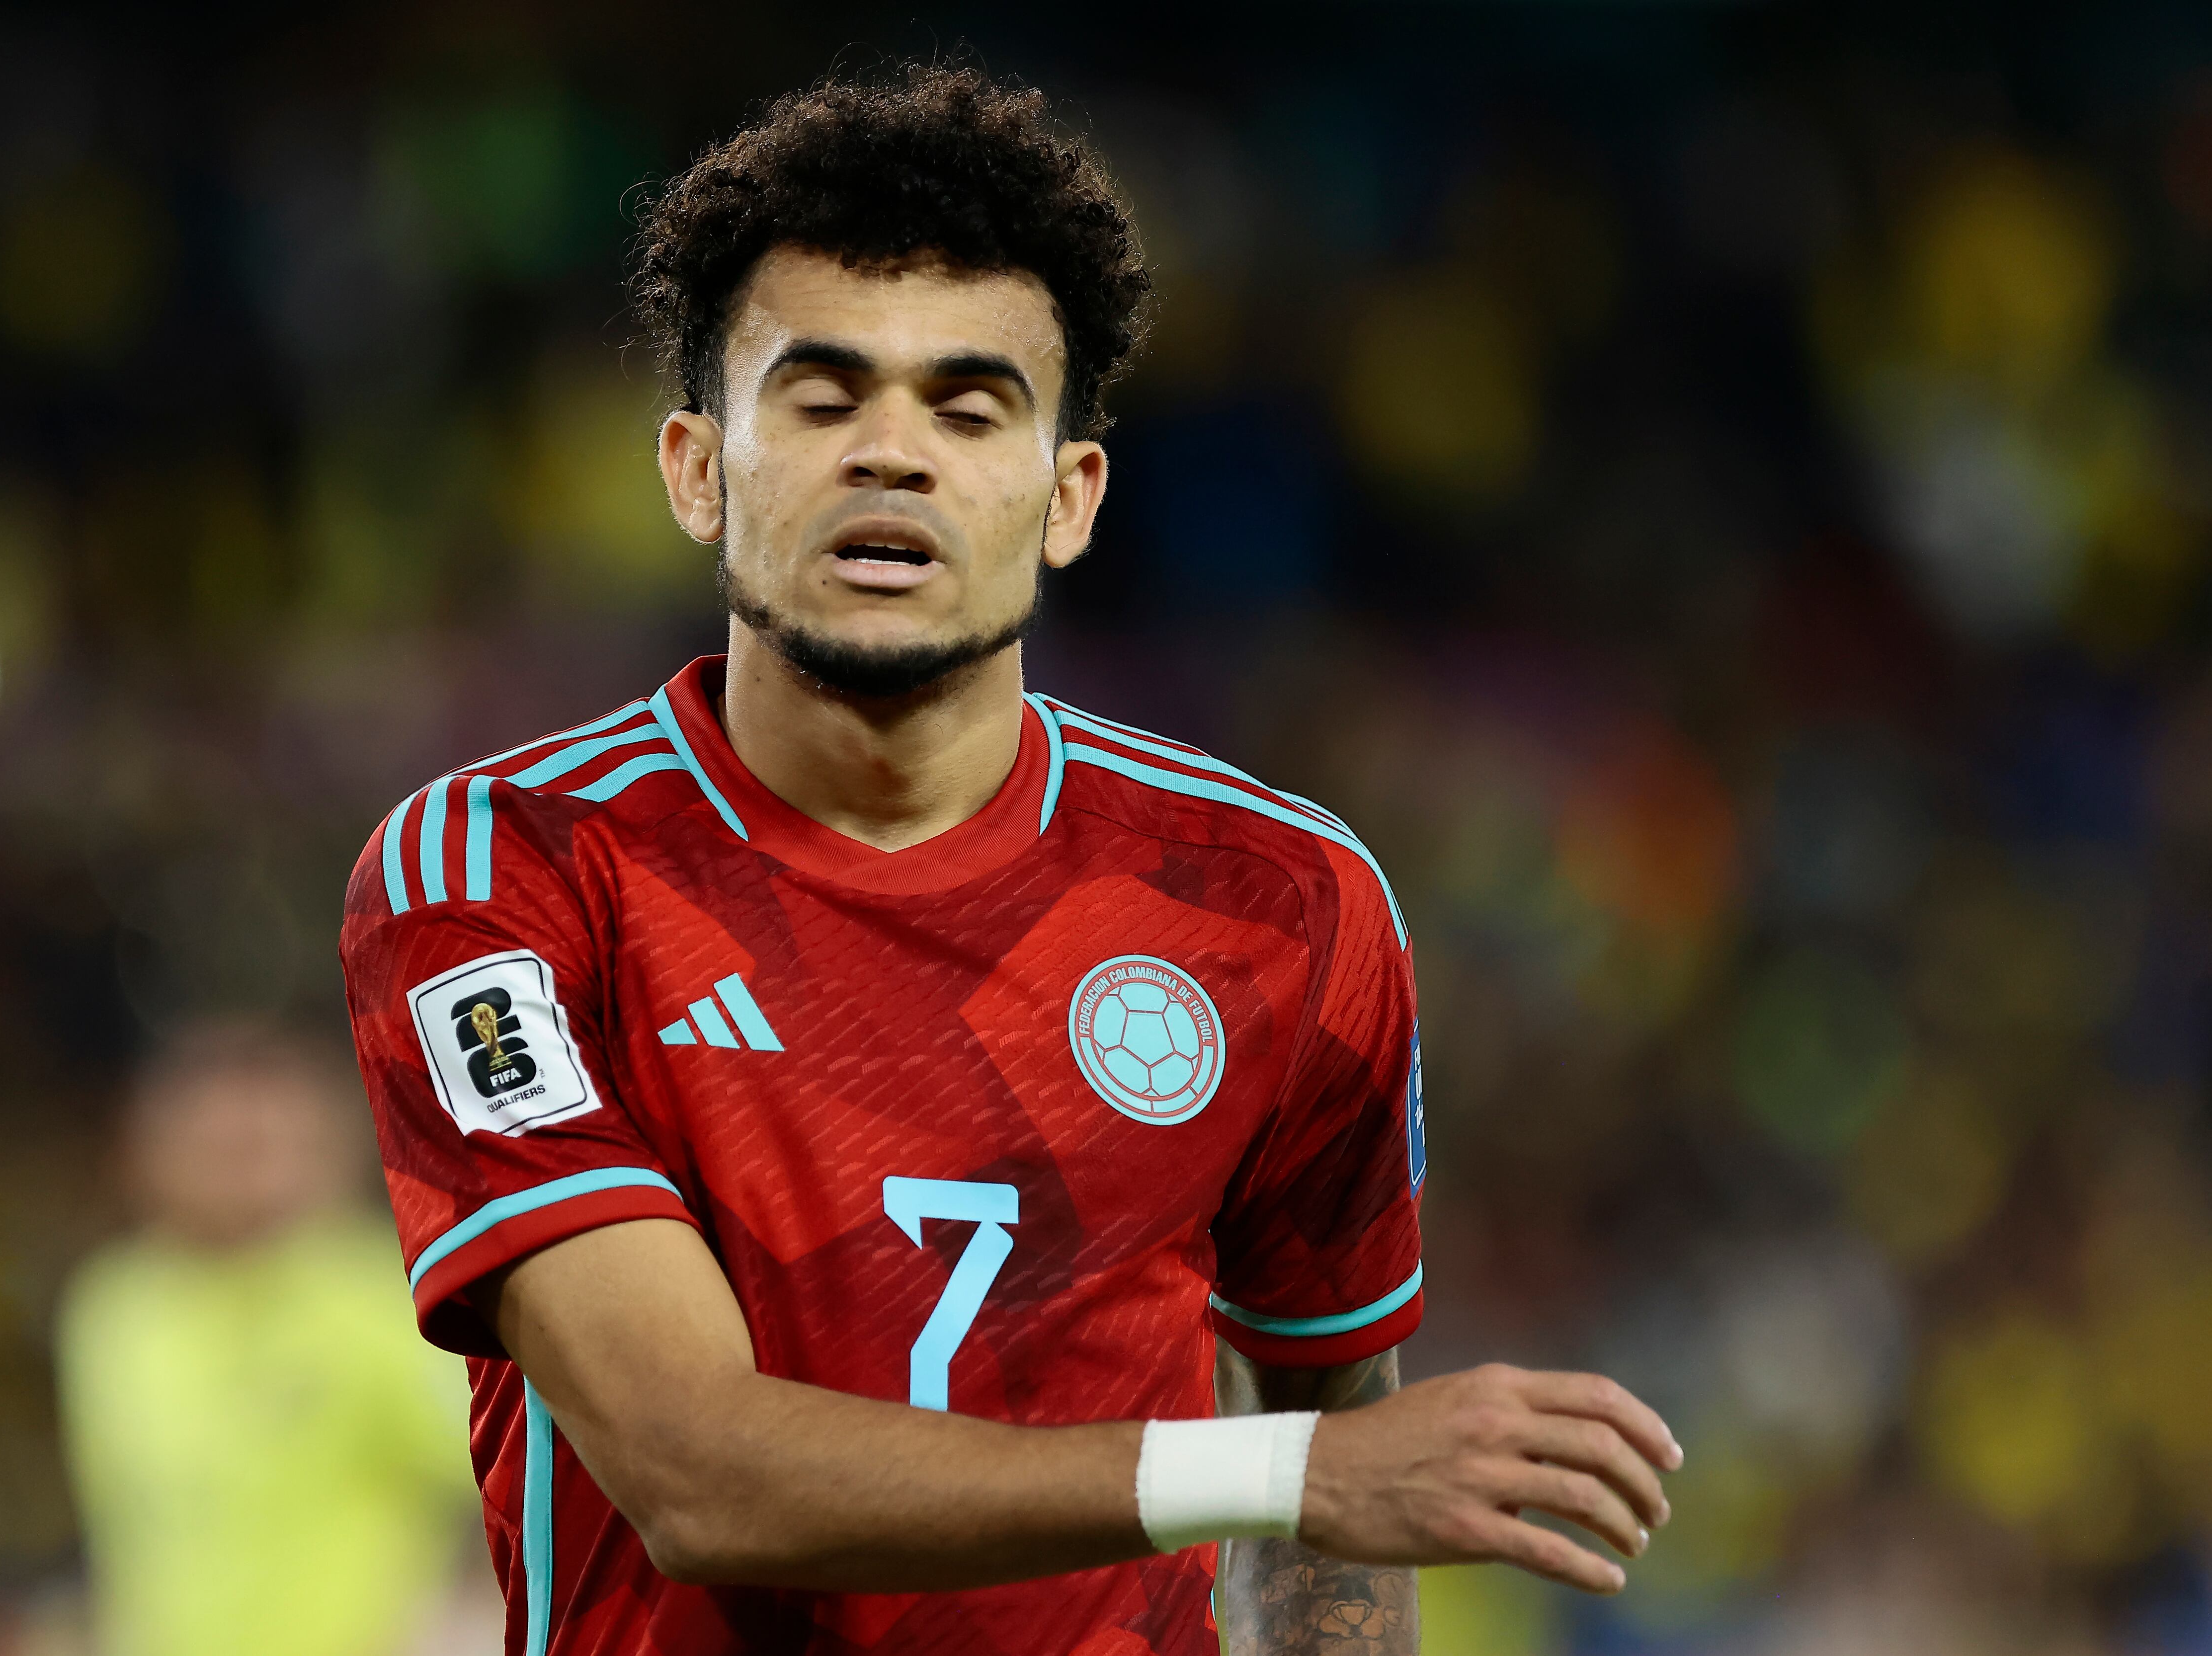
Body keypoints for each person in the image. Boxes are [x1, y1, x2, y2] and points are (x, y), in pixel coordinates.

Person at [340, 66, 1679, 1656]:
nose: (890, 455)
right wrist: (1290, 1472)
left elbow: (1329, 1460)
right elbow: (690, 1470)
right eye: (821, 397)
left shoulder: (1280, 903)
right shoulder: (503, 872)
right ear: (697, 470)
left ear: (1067, 501)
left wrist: (1312, 1486)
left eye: (967, 408)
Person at [57, 1021, 482, 1656]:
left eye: (261, 1145)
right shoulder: (113, 1309)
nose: (242, 1171)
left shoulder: (388, 1297)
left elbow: (503, 1484)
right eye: (216, 1147)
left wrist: (464, 1622)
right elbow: (127, 1534)